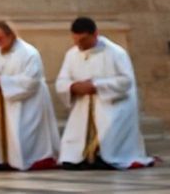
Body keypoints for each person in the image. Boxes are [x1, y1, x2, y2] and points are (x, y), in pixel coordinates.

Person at [55, 17, 154, 170]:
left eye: (83, 40)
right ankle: (80, 158)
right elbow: (61, 81)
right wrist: (73, 86)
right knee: (74, 142)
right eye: (76, 40)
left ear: (95, 34)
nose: (79, 44)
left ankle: (104, 156)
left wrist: (96, 86)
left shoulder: (115, 52)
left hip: (113, 105)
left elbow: (126, 81)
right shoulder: (72, 54)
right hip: (84, 106)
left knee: (108, 128)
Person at [0, 20, 60, 170]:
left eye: (0, 38)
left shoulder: (28, 52)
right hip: (3, 101)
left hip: (28, 102)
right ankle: (3, 160)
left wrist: (1, 81)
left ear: (11, 35)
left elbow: (31, 81)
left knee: (25, 133)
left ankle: (29, 160)